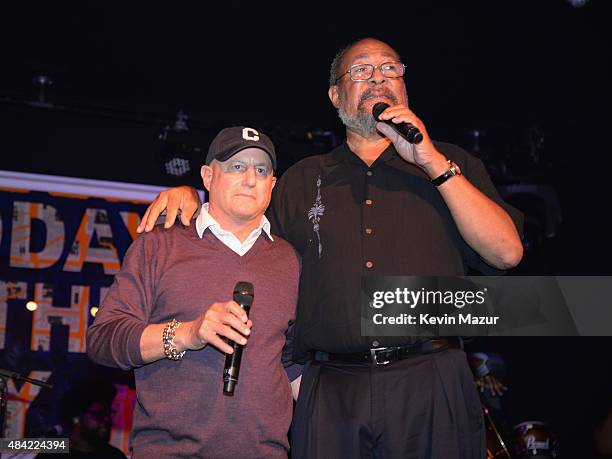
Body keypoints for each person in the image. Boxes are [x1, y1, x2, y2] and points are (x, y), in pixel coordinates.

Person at [138, 38, 524, 458]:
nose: (378, 77)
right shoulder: (302, 180)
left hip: (430, 378)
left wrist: (429, 160)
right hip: (330, 387)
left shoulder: (452, 163)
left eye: (390, 68)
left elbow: (506, 253)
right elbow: (241, 236)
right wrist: (192, 194)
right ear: (336, 96)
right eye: (361, 71)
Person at [87, 127, 301, 458]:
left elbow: (292, 364)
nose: (249, 179)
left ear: (272, 184)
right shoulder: (160, 245)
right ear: (207, 175)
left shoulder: (290, 260)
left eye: (261, 170)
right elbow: (103, 339)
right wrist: (187, 333)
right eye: (236, 166)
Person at [35, 381, 126, 459]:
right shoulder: (51, 454)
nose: (107, 420)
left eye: (108, 413)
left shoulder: (114, 456)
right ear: (76, 418)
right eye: (99, 414)